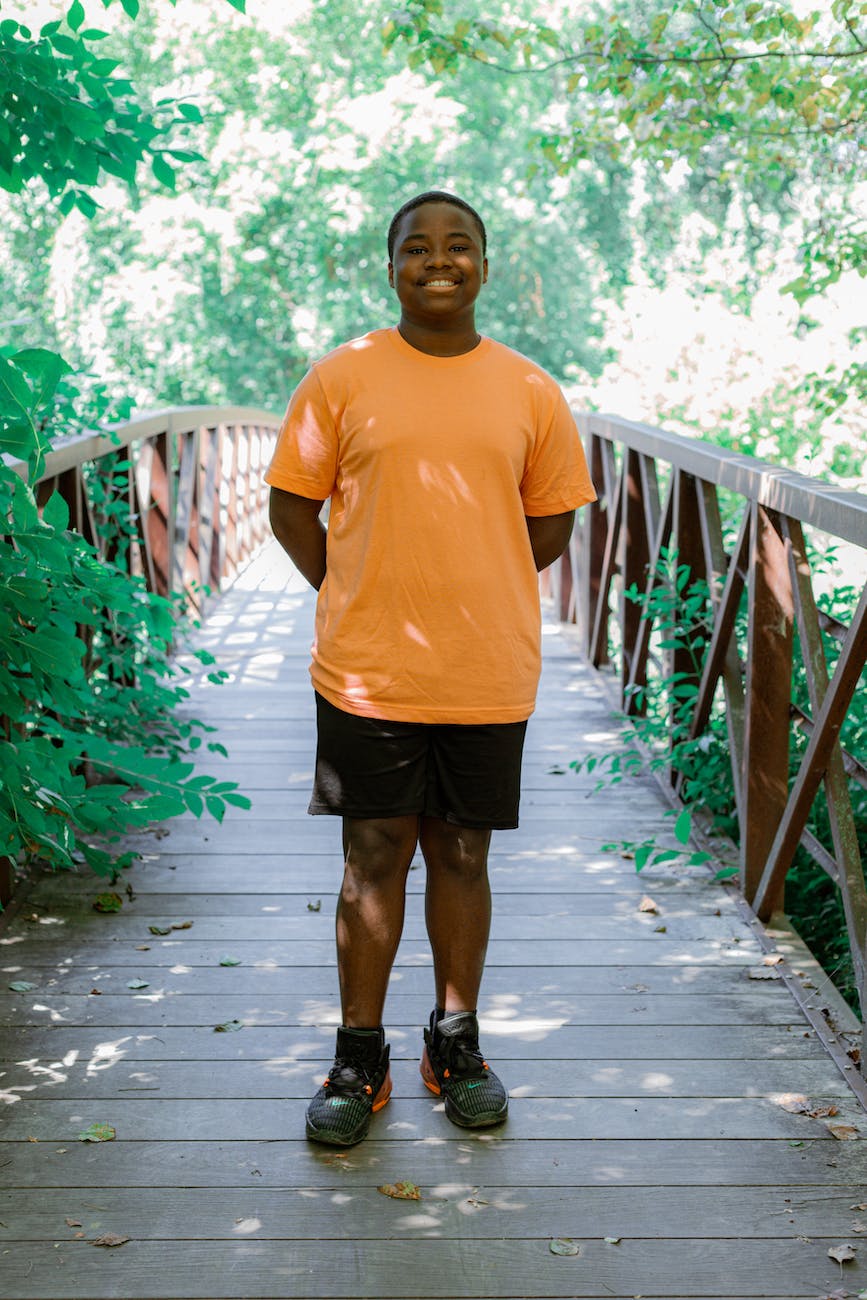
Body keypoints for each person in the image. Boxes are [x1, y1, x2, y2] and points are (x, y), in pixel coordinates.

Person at [266, 189, 596, 1147]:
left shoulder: (529, 389)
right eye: (417, 247)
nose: (438, 260)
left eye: (459, 247)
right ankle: (356, 1056)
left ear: (485, 267)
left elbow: (551, 521)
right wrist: (359, 585)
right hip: (367, 670)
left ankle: (454, 1044)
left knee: (461, 850)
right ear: (391, 266)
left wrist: (465, 582)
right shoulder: (343, 377)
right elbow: (293, 508)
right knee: (373, 854)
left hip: (486, 665)